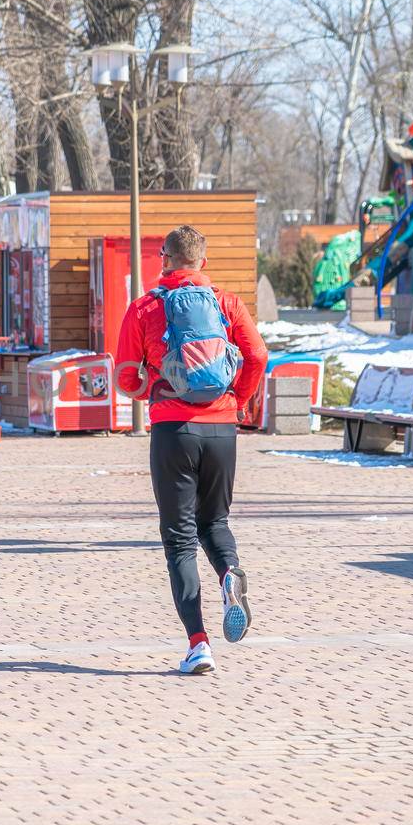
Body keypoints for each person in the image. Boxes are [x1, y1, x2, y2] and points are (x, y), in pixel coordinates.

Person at [114, 225, 268, 675]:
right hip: (222, 429)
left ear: (164, 259)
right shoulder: (225, 302)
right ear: (203, 261)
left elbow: (124, 373)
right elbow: (257, 355)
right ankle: (229, 574)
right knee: (215, 522)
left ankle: (198, 645)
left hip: (172, 430)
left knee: (179, 539)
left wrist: (155, 390)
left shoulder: (146, 307)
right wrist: (237, 400)